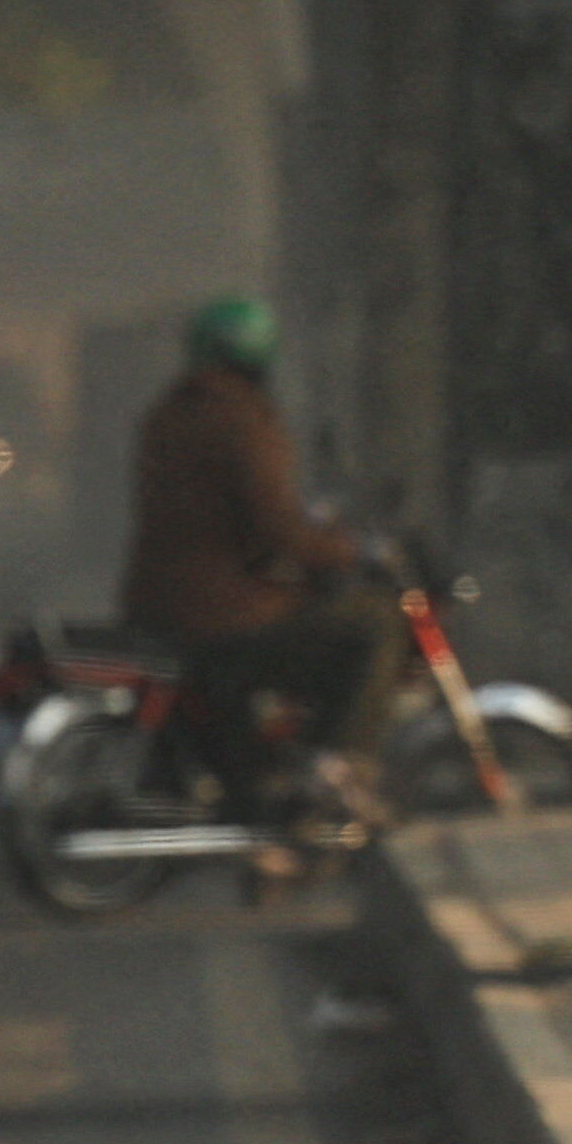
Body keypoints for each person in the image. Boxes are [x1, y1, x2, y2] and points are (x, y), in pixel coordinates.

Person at [119, 294, 402, 822]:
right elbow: (279, 531)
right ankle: (336, 772)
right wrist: (347, 551)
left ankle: (277, 772)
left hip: (164, 606)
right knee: (375, 623)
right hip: (221, 618)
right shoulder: (243, 422)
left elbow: (218, 520)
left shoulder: (169, 414)